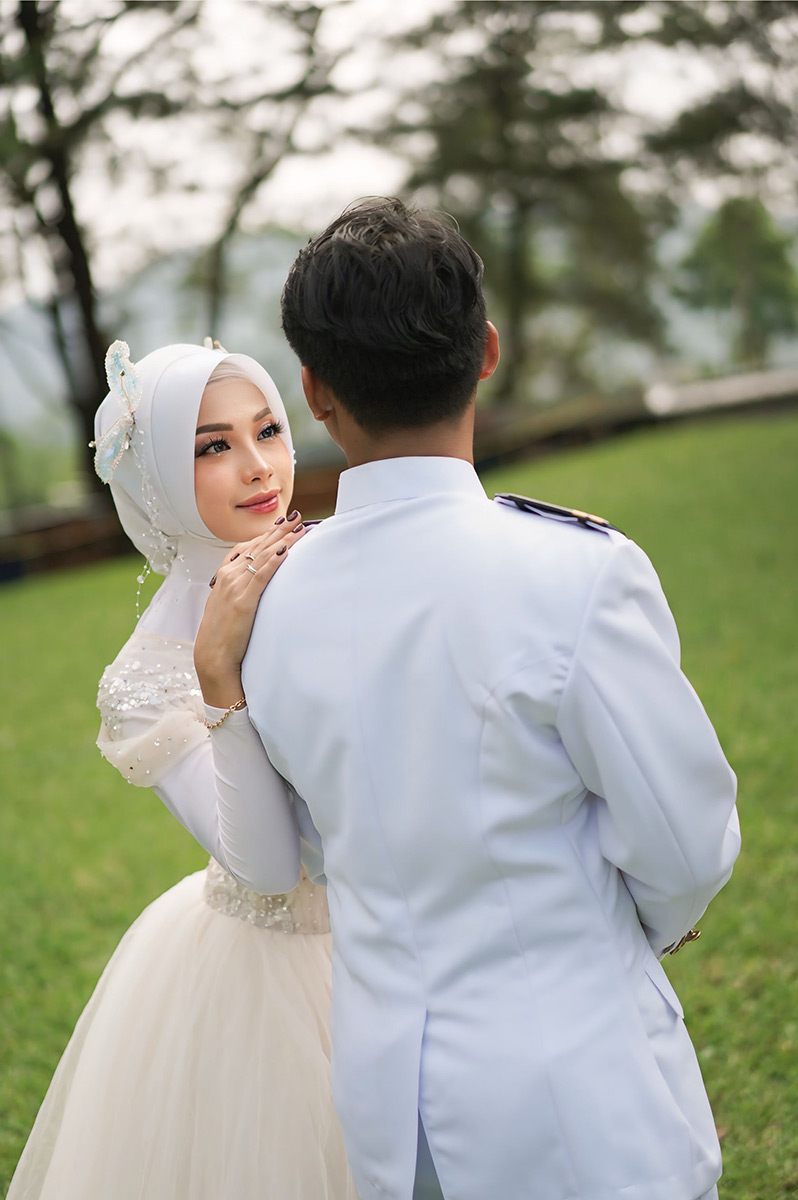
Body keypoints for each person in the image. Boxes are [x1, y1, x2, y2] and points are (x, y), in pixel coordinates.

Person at [222, 199, 741, 1200]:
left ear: (315, 390)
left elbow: (313, 844)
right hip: (578, 1097)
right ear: (487, 352)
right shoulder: (576, 572)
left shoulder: (270, 605)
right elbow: (684, 842)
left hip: (387, 1104)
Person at [7, 340, 357, 1200]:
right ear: (158, 473)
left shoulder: (348, 565)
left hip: (412, 930)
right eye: (212, 447)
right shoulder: (147, 677)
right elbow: (266, 865)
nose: (258, 466)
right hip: (271, 989)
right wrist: (219, 676)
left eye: (267, 430)